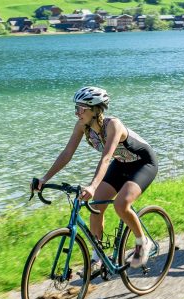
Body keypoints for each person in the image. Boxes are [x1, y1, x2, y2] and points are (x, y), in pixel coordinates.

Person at [33, 86, 158, 267]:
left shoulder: (113, 125)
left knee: (121, 204)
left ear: (94, 109)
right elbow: (67, 154)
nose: (77, 113)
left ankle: (142, 242)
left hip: (143, 164)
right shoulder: (82, 126)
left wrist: (92, 186)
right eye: (76, 108)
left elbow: (106, 158)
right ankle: (98, 256)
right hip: (121, 163)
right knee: (97, 204)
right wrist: (45, 179)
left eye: (81, 108)